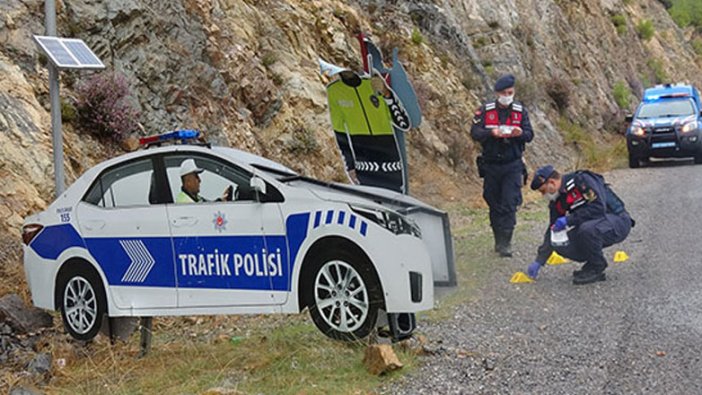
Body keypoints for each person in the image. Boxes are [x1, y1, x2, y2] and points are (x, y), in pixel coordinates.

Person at [526, 165, 634, 285]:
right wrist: (539, 260)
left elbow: (598, 208)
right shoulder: (558, 199)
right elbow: (552, 229)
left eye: (543, 190)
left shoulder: (581, 181)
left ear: (552, 182)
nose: (543, 195)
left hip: (617, 220)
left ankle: (597, 267)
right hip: (595, 225)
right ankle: (592, 262)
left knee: (587, 230)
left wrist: (569, 220)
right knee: (559, 242)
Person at [471, 74, 534, 257]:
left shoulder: (520, 111)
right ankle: (498, 239)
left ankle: (506, 242)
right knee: (493, 203)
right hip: (491, 165)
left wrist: (519, 133)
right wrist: (492, 133)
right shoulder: (485, 110)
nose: (508, 95)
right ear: (498, 93)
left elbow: (530, 135)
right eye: (505, 93)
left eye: (511, 92)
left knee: (509, 203)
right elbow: (475, 132)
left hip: (512, 165)